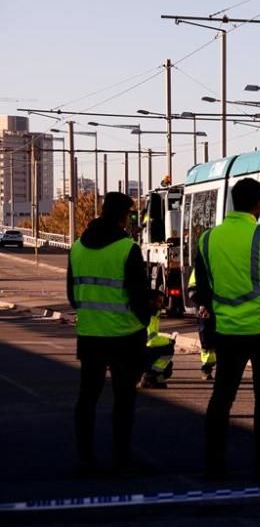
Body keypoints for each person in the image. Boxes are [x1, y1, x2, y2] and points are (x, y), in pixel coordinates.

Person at [194, 178, 260, 480]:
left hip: (228, 332)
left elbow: (202, 287)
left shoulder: (208, 239)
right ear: (257, 204)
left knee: (222, 396)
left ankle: (214, 464)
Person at [68, 191, 152, 475]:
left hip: (90, 335)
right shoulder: (127, 248)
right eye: (129, 215)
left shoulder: (77, 247)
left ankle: (85, 459)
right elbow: (139, 296)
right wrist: (147, 312)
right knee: (123, 400)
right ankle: (120, 458)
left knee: (87, 398)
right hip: (125, 336)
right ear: (122, 216)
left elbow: (72, 294)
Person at [140, 290, 175, 388]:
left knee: (167, 365)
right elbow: (151, 340)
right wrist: (169, 341)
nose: (161, 304)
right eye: (159, 301)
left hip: (143, 350)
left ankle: (157, 380)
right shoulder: (149, 316)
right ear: (151, 302)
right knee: (168, 349)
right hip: (141, 351)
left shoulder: (153, 314)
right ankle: (149, 377)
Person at [186, 270, 217, 380]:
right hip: (209, 308)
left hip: (225, 308)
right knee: (207, 337)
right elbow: (192, 290)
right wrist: (203, 304)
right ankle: (207, 368)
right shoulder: (203, 263)